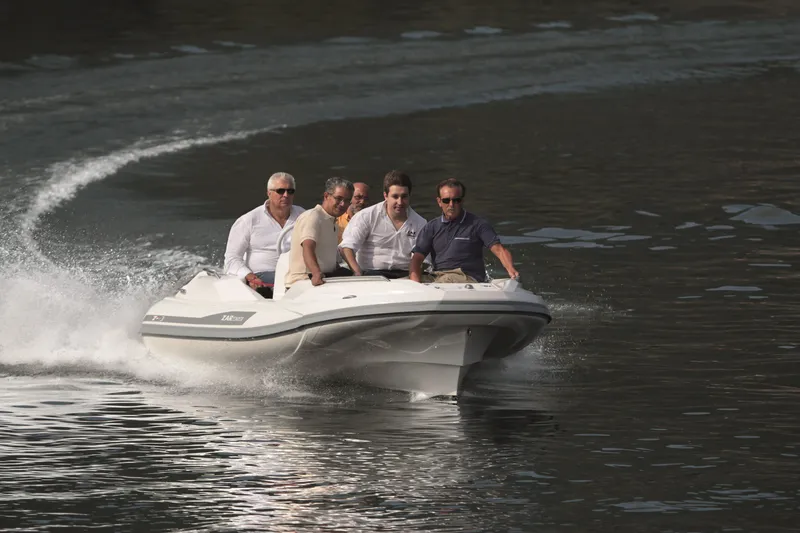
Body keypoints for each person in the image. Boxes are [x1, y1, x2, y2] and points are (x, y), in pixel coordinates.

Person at [409, 178, 520, 283]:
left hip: (466, 277)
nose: (451, 205)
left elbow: (499, 250)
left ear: (462, 201)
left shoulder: (478, 224)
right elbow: (417, 258)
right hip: (438, 276)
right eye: (446, 200)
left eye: (456, 200)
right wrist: (415, 284)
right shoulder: (431, 227)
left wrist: (510, 269)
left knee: (446, 280)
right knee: (405, 282)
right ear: (439, 202)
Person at [224, 172, 305, 295]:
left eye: (290, 191)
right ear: (269, 193)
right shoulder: (248, 220)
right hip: (262, 275)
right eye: (280, 191)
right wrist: (250, 277)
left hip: (298, 273)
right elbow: (232, 258)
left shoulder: (304, 216)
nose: (286, 195)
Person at [339, 170, 427, 278]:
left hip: (406, 276)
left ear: (410, 196)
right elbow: (346, 248)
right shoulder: (366, 216)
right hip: (371, 274)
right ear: (385, 195)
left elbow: (422, 259)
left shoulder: (420, 223)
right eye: (395, 196)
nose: (400, 202)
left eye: (404, 197)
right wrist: (357, 273)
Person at [285, 177, 354, 288]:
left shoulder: (332, 221)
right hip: (303, 282)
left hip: (326, 279)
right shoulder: (313, 216)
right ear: (326, 196)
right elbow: (308, 247)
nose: (342, 204)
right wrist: (316, 273)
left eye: (347, 200)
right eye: (338, 198)